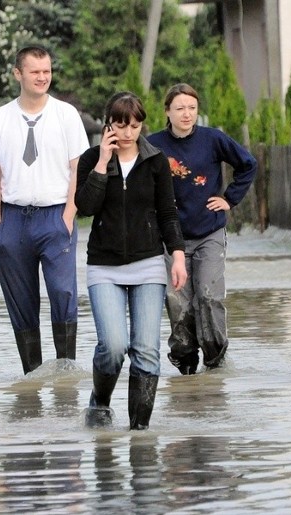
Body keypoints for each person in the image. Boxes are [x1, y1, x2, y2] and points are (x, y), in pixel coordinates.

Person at [0, 45, 89, 375]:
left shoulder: (66, 115)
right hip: (13, 220)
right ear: (18, 74)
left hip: (55, 218)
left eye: (47, 71)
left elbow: (77, 169)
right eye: (35, 71)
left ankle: (65, 373)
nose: (42, 77)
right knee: (21, 303)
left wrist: (68, 215)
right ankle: (33, 377)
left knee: (63, 292)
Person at [75, 92, 187, 430]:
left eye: (135, 126)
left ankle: (139, 433)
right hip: (104, 266)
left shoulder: (155, 162)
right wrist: (101, 164)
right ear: (108, 124)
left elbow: (168, 214)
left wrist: (178, 256)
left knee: (146, 350)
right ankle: (100, 401)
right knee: (113, 346)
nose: (128, 133)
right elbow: (85, 207)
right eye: (121, 126)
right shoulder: (91, 158)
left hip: (149, 263)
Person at [147, 83, 258, 375]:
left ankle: (215, 360)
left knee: (208, 296)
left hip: (209, 231)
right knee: (178, 300)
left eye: (192, 108)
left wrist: (229, 199)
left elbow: (248, 164)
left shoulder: (213, 139)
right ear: (167, 111)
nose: (187, 114)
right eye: (180, 108)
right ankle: (185, 362)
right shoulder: (153, 144)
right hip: (172, 237)